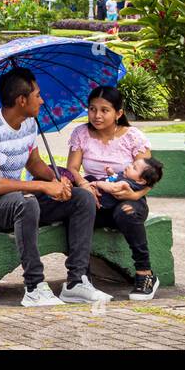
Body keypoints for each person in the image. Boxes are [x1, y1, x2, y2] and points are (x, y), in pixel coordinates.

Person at [0, 66, 111, 306]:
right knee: (25, 204)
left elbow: (35, 163)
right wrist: (42, 187)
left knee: (82, 199)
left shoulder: (29, 124)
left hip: (14, 199)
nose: (42, 99)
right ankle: (34, 287)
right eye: (37, 95)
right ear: (21, 100)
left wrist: (57, 180)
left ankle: (77, 282)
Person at [67, 86, 161, 300]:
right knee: (76, 210)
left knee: (126, 212)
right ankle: (81, 277)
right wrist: (84, 184)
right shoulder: (81, 133)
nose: (97, 115)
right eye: (92, 109)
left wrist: (136, 196)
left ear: (118, 113)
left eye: (104, 110)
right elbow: (72, 168)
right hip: (94, 193)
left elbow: (149, 176)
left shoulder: (133, 137)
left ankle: (144, 274)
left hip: (127, 196)